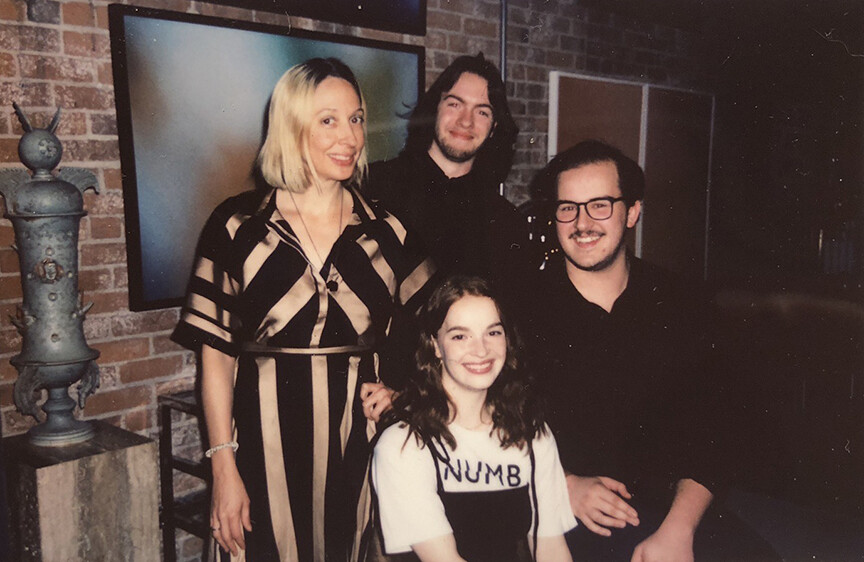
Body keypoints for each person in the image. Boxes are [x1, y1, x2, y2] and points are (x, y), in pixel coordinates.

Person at [171, 58, 434, 562]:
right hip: (261, 453)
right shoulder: (236, 227)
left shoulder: (387, 230)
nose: (350, 136)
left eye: (356, 118)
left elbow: (447, 323)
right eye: (328, 120)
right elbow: (217, 359)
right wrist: (223, 468)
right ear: (291, 127)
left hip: (362, 452)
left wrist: (409, 391)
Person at [523, 140, 778, 561]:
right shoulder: (519, 309)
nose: (582, 222)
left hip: (674, 508)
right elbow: (489, 418)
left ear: (633, 212)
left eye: (600, 205)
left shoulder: (682, 303)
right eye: (568, 207)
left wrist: (680, 529)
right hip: (569, 511)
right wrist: (562, 483)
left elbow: (717, 428)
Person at [372, 276, 576, 562]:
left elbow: (552, 550)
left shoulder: (531, 433)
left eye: (493, 333)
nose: (481, 350)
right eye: (460, 336)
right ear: (435, 346)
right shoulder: (404, 444)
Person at [366, 53, 539, 302]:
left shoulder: (505, 223)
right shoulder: (375, 186)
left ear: (494, 129)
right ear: (434, 108)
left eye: (482, 112)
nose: (465, 121)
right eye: (455, 104)